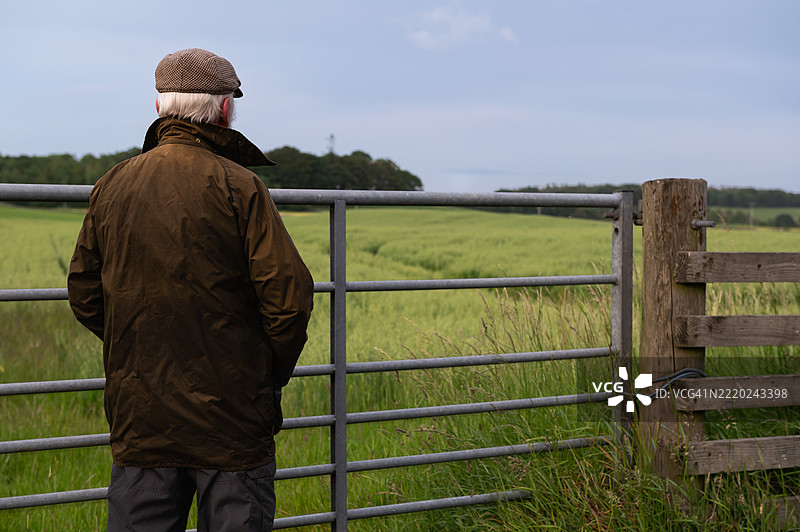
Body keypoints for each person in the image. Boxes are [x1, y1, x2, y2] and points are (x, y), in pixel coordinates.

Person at [67, 48, 314, 531]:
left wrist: (139, 351)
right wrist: (263, 374)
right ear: (225, 110)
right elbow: (288, 301)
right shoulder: (239, 186)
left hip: (142, 417)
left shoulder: (111, 185)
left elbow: (84, 293)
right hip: (232, 420)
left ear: (160, 107)